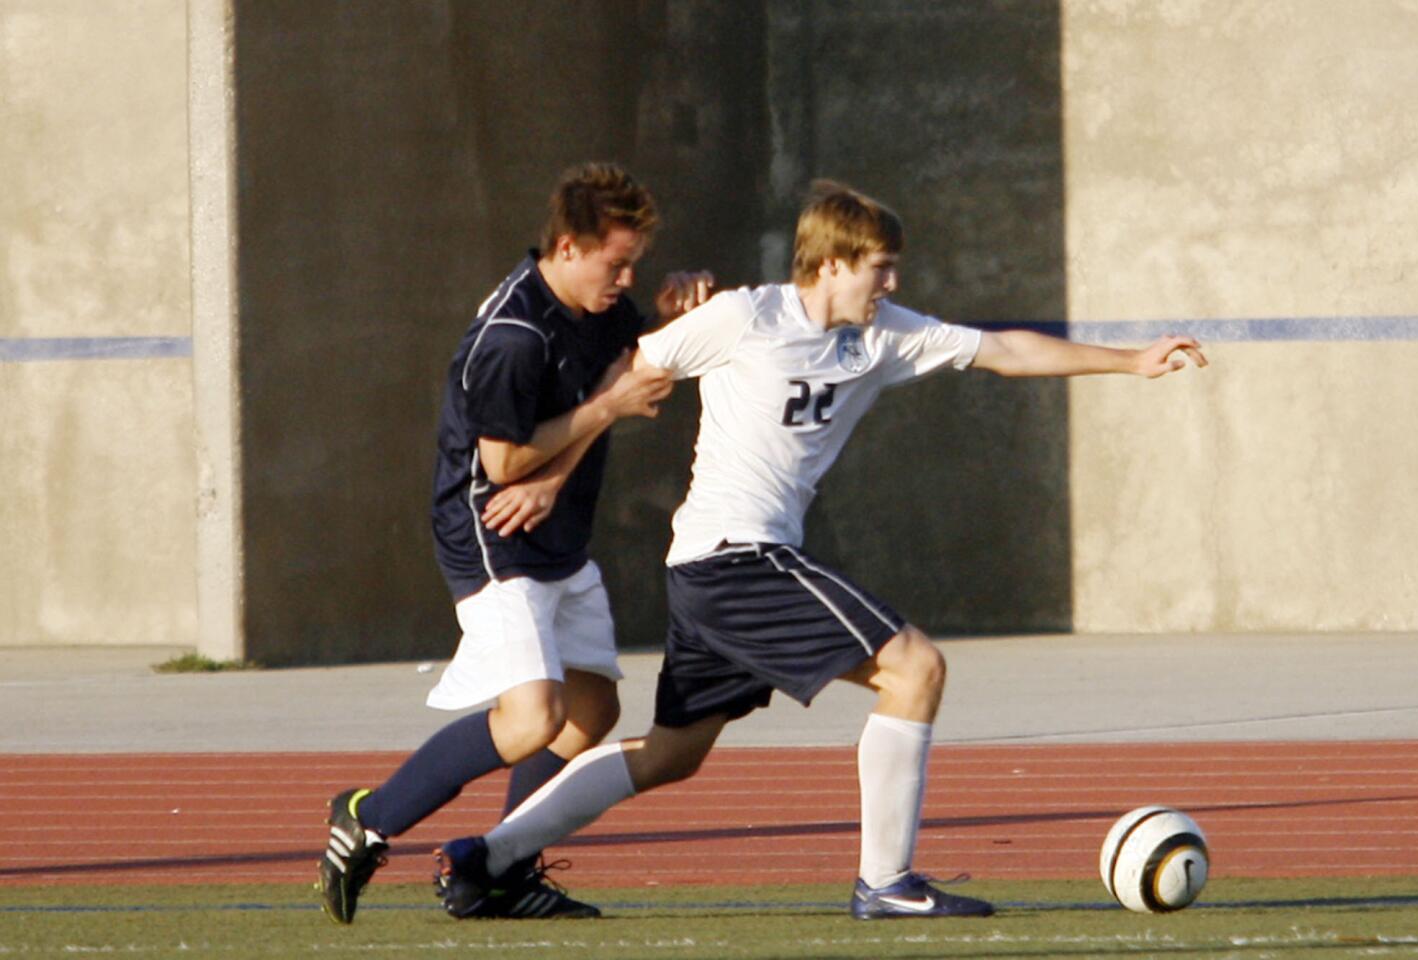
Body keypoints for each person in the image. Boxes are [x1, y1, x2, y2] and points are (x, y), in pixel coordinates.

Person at [430, 180, 1208, 921]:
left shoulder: (885, 335)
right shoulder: (745, 317)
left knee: (670, 756)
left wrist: (1132, 361)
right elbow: (633, 369)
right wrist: (556, 472)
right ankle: (887, 882)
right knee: (916, 667)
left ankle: (486, 857)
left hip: (713, 571)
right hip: (737, 557)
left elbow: (1005, 349)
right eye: (880, 267)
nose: (893, 282)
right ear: (831, 264)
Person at [317, 162, 712, 924]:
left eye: (634, 263)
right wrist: (606, 408)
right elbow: (504, 466)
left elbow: (642, 364)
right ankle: (368, 814)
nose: (625, 278)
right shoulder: (513, 337)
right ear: (567, 247)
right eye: (616, 263)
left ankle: (495, 870)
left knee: (590, 711)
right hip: (493, 533)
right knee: (532, 716)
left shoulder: (597, 305)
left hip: (555, 530)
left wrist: (681, 304)